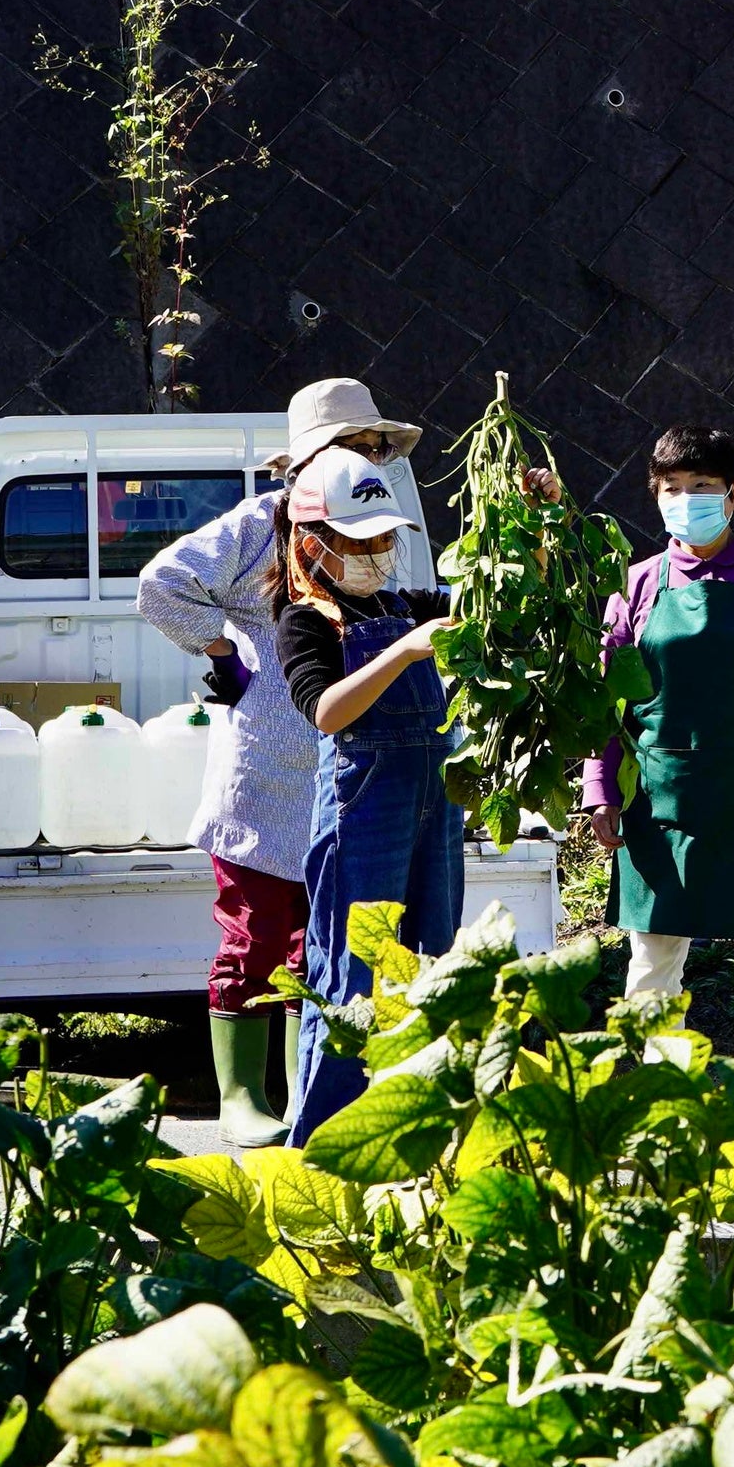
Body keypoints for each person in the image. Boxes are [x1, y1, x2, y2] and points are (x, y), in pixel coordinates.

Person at [136, 378, 431, 1145]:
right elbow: (160, 583)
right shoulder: (255, 529)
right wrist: (223, 648)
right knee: (256, 932)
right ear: (312, 457)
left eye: (377, 447)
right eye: (360, 445)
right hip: (268, 765)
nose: (372, 458)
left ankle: (310, 1092)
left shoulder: (369, 523)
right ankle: (240, 1093)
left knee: (324, 942)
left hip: (345, 768)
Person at [580, 425, 734, 1036]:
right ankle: (655, 1102)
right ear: (655, 496)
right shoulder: (634, 583)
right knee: (653, 959)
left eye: (702, 487)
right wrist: (600, 787)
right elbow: (608, 700)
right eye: (671, 488)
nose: (686, 499)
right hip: (660, 796)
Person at [274, 444, 470, 1141]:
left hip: (435, 807)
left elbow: (490, 604)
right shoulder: (304, 619)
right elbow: (325, 709)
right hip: (364, 811)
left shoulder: (400, 600)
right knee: (351, 982)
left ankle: (425, 1143)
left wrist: (532, 522)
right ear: (311, 542)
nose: (379, 549)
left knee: (436, 965)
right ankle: (323, 1149)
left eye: (385, 536)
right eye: (360, 539)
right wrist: (407, 650)